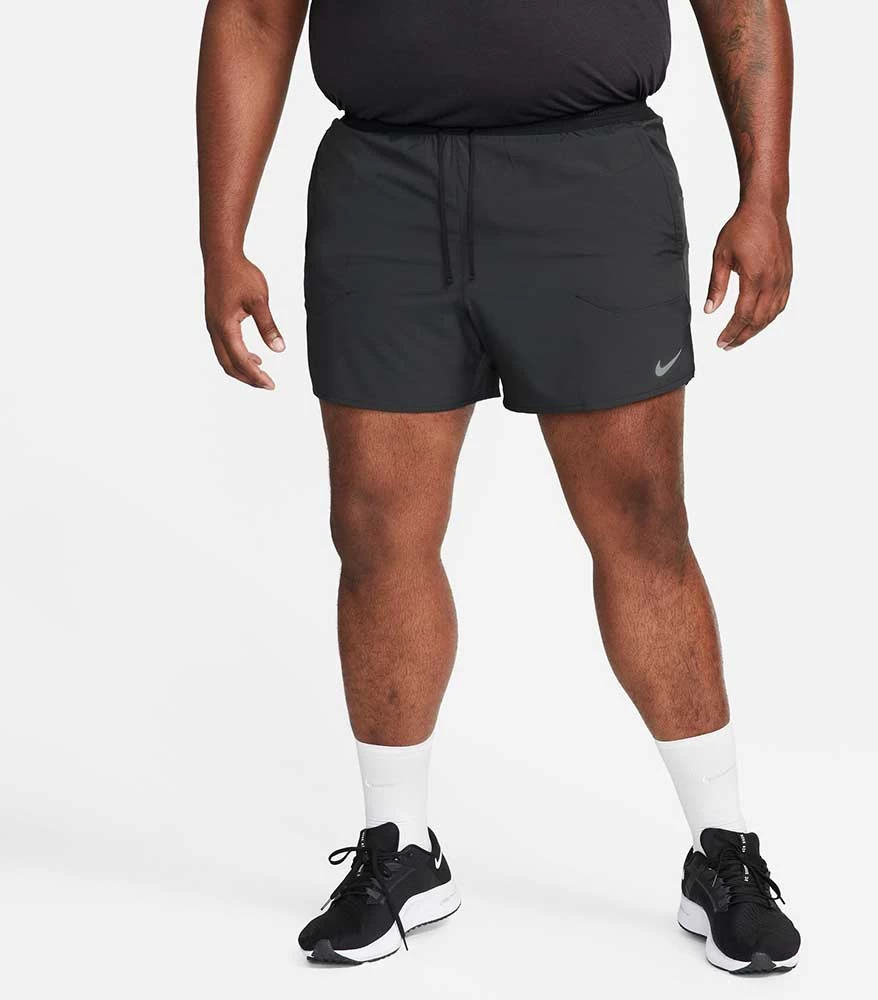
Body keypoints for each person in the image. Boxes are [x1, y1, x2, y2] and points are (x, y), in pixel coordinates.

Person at [197, 0, 799, 974]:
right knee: (377, 530)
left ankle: (722, 849)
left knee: (642, 523)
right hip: (383, 184)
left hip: (593, 178)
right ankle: (400, 849)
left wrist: (764, 191)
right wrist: (220, 238)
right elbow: (255, 16)